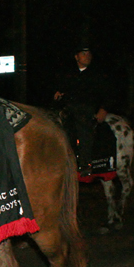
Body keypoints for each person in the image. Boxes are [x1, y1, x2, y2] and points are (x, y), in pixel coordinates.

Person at [52, 46, 111, 174]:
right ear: (76, 57)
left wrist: (103, 109)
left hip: (86, 109)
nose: (87, 56)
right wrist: (58, 93)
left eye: (89, 54)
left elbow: (107, 94)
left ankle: (85, 163)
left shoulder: (96, 74)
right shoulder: (69, 73)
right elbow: (63, 87)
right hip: (68, 108)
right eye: (84, 53)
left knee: (83, 129)